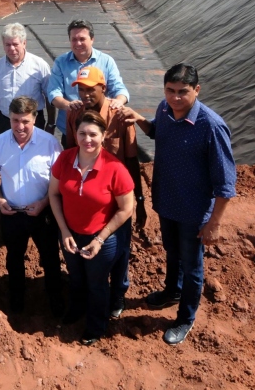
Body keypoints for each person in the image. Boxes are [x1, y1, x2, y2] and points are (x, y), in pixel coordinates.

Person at [119, 64, 237, 345]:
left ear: (197, 90)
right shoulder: (164, 109)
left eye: (182, 91)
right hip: (167, 201)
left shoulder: (211, 126)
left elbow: (225, 184)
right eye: (170, 90)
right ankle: (172, 291)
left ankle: (185, 318)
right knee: (172, 252)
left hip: (193, 211)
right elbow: (156, 132)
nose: (175, 97)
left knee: (192, 265)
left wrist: (214, 222)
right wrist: (139, 119)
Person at [65, 66, 147, 319]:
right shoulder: (74, 114)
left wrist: (139, 200)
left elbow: (131, 160)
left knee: (120, 249)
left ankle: (118, 293)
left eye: (91, 89)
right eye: (81, 89)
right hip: (88, 194)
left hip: (117, 196)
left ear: (103, 88)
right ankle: (87, 294)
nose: (85, 94)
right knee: (82, 246)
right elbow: (70, 153)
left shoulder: (119, 116)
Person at [48, 110, 135, 346]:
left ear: (103, 136)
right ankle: (77, 309)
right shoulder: (65, 159)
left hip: (101, 237)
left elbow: (126, 209)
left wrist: (99, 239)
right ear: (75, 134)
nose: (87, 139)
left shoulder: (115, 168)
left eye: (93, 134)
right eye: (82, 133)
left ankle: (96, 324)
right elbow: (53, 194)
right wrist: (64, 231)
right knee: (76, 277)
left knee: (97, 283)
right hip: (70, 234)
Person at [0, 96, 64, 316]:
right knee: (14, 259)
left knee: (50, 258)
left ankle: (55, 301)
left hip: (43, 213)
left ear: (35, 119)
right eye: (15, 120)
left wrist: (44, 202)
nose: (20, 126)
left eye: (25, 121)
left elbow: (58, 181)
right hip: (12, 214)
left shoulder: (50, 143)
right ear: (9, 118)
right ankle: (17, 303)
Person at [47, 20, 129, 146]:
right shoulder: (61, 62)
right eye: (74, 39)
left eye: (82, 39)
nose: (78, 43)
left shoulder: (106, 61)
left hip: (100, 130)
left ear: (92, 39)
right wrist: (68, 105)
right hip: (71, 129)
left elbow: (119, 88)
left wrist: (119, 101)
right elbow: (53, 92)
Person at [0, 23, 55, 135]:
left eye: (15, 44)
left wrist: (51, 124)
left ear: (24, 43)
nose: (11, 49)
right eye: (7, 45)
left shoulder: (40, 65)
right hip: (6, 122)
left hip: (33, 122)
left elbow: (49, 96)